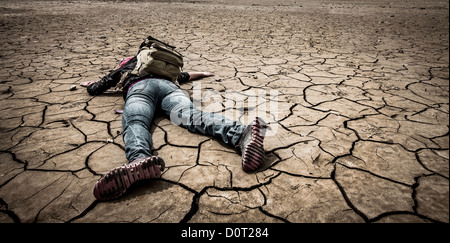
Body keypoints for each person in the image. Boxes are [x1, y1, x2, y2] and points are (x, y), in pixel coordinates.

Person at [81, 40, 266, 201]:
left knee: (136, 122)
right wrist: (203, 73)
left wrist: (91, 86)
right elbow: (185, 76)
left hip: (140, 88)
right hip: (170, 88)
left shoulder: (128, 65)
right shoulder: (163, 67)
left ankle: (139, 159)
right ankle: (241, 134)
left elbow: (100, 86)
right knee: (193, 116)